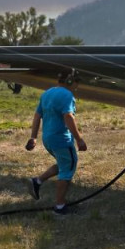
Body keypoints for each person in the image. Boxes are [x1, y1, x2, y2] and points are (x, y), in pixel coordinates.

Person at [26, 71, 89, 215]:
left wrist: (33, 137)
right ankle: (60, 207)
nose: (77, 85)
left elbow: (37, 116)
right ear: (70, 81)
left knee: (63, 163)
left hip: (48, 139)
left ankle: (38, 181)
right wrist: (79, 139)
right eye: (76, 82)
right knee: (68, 168)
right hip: (61, 139)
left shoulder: (47, 93)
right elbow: (68, 117)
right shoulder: (67, 95)